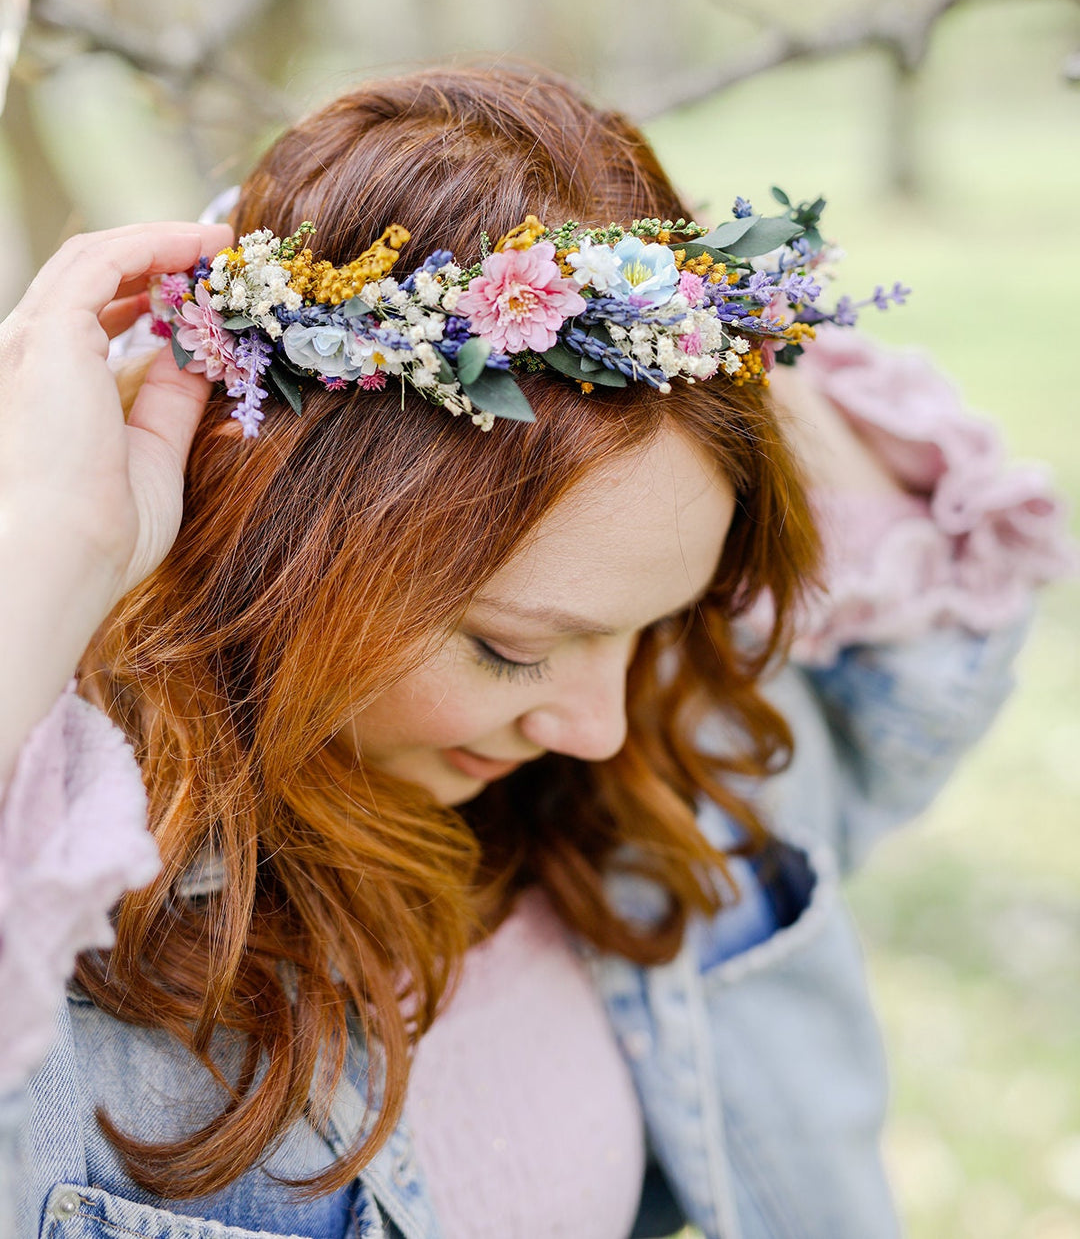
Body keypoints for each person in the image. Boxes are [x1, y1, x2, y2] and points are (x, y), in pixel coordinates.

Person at [0, 66, 1069, 1239]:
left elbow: (940, 648)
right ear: (278, 551)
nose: (598, 722)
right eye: (514, 650)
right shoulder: (59, 892)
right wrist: (53, 554)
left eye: (655, 621)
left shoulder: (655, 785)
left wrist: (651, 287)